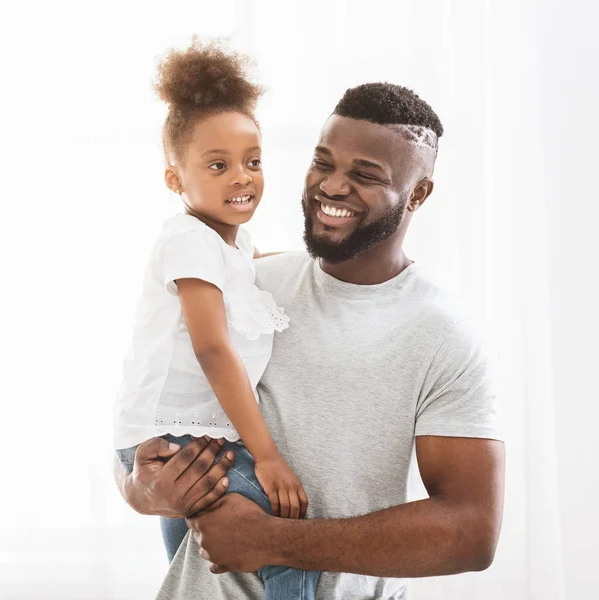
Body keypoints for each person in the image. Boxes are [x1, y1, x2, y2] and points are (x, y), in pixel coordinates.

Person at [115, 81, 506, 600]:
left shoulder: (444, 335)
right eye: (323, 163)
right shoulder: (248, 285)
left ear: (418, 193)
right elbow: (160, 410)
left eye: (365, 175)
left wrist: (277, 541)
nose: (333, 187)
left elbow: (471, 532)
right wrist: (141, 491)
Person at [113, 38, 320, 599]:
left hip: (180, 432)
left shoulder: (229, 244)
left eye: (253, 161)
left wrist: (324, 261)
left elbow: (258, 271)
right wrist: (269, 456)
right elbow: (212, 349)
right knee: (286, 535)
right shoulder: (187, 240)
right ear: (175, 180)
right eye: (218, 164)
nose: (242, 177)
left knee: (194, 564)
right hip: (179, 435)